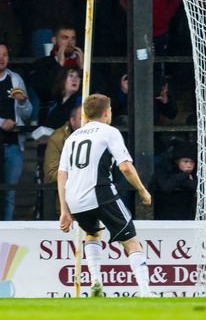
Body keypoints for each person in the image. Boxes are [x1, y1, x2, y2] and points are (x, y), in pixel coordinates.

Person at [57, 94, 154, 297]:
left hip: (74, 199)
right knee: (131, 241)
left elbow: (61, 174)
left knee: (92, 234)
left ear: (85, 114)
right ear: (108, 112)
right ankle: (145, 292)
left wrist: (64, 210)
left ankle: (96, 283)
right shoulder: (109, 132)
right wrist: (142, 190)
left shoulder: (72, 137)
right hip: (99, 191)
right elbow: (126, 167)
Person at [0, 43, 32, 221]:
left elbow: (26, 115)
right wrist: (1, 122)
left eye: (5, 55)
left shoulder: (15, 79)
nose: (1, 59)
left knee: (10, 193)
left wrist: (22, 103)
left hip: (13, 144)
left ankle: (5, 230)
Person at [43, 105, 81, 216]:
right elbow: (50, 174)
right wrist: (80, 174)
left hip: (94, 206)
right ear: (72, 121)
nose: (87, 122)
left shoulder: (98, 136)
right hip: (67, 206)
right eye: (82, 118)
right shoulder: (57, 138)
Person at [154, 140, 197, 220]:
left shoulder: (196, 173)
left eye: (192, 162)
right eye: (185, 161)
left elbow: (196, 186)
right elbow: (165, 187)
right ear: (177, 161)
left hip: (187, 215)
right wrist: (185, 175)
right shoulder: (163, 171)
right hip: (164, 214)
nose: (189, 165)